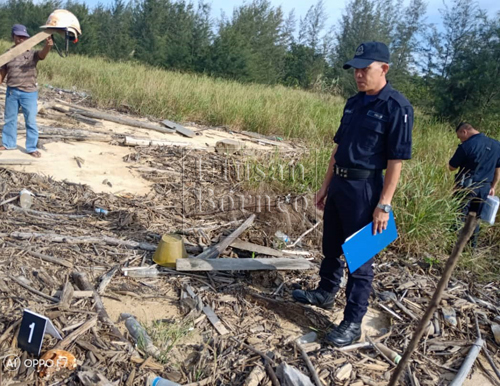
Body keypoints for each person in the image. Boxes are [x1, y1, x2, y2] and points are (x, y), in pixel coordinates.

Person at [292, 41, 414, 347]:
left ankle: (352, 321)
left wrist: (383, 205)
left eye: (365, 69)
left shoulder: (397, 107)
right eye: (356, 69)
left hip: (366, 189)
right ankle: (325, 292)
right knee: (331, 245)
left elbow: (395, 162)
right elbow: (338, 148)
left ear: (383, 69)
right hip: (340, 185)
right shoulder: (353, 103)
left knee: (359, 258)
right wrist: (325, 186)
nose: (359, 74)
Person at [0, 24, 53, 158]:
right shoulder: (8, 54)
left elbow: (42, 54)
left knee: (30, 120)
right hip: (12, 91)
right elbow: (3, 72)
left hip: (29, 92)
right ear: (13, 37)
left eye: (24, 37)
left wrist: (48, 46)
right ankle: (8, 143)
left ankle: (31, 147)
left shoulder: (31, 53)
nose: (21, 39)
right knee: (10, 119)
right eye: (18, 36)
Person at [449, 122, 500, 246]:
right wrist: (493, 186)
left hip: (466, 186)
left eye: (459, 137)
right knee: (475, 218)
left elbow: (451, 167)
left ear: (464, 131)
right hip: (485, 188)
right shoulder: (496, 145)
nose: (460, 140)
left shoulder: (467, 146)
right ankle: (472, 247)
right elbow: (497, 170)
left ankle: (452, 244)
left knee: (459, 215)